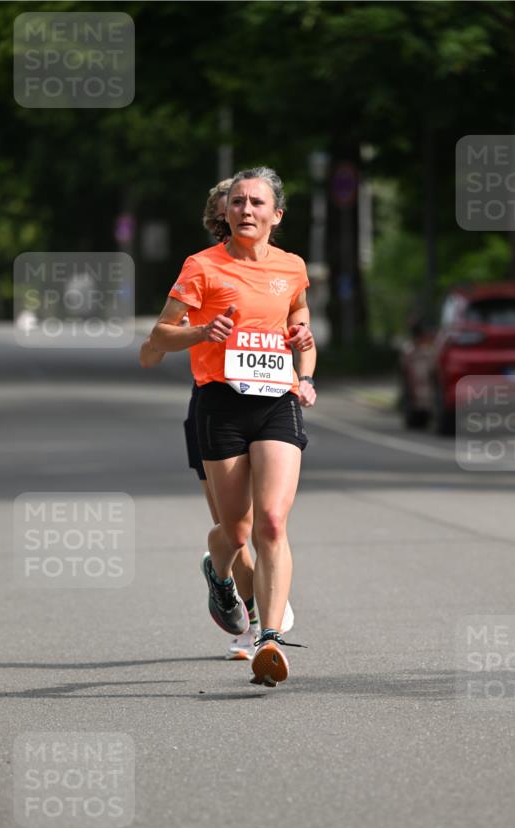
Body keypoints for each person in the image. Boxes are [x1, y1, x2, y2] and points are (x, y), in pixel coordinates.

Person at [147, 166, 317, 687]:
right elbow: (158, 336)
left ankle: (269, 639)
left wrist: (304, 365)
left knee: (270, 522)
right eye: (238, 202)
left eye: (257, 203)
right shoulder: (202, 266)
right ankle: (219, 571)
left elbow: (300, 315)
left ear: (276, 215)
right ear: (226, 211)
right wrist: (201, 330)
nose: (246, 210)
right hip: (219, 401)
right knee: (237, 530)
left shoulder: (291, 267)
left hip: (277, 400)